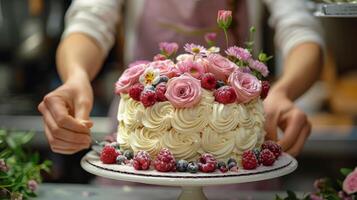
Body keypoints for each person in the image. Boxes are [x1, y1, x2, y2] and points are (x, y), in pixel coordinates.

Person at [38, 0, 324, 156]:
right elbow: (89, 22)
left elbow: (302, 32)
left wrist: (284, 91)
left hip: (237, 159)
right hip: (140, 154)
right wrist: (76, 76)